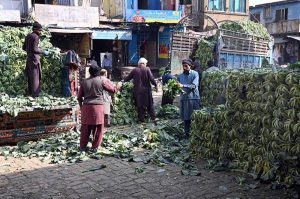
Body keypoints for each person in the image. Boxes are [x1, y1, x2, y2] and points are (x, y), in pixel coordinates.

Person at [77, 65, 120, 152]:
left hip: (86, 107)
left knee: (85, 128)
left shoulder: (84, 82)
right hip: (98, 107)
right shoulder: (102, 80)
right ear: (98, 72)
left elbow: (79, 97)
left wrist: (82, 107)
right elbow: (113, 90)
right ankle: (94, 147)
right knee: (98, 128)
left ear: (90, 72)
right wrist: (118, 85)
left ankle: (83, 147)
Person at [124, 57, 158, 124]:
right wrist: (155, 85)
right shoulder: (147, 69)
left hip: (138, 91)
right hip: (146, 91)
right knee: (150, 104)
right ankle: (153, 118)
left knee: (140, 106)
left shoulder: (134, 70)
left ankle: (142, 120)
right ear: (144, 63)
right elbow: (151, 78)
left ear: (139, 64)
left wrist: (123, 81)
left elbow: (127, 78)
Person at [23, 22, 48, 97]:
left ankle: (30, 93)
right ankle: (35, 95)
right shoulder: (36, 37)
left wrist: (29, 51)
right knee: (35, 77)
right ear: (35, 30)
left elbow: (23, 48)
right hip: (34, 59)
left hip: (29, 59)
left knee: (30, 76)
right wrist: (42, 51)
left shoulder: (28, 36)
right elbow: (35, 49)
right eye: (40, 30)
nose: (40, 32)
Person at [177, 59, 200, 137]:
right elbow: (178, 87)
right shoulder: (180, 76)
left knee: (194, 117)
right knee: (185, 117)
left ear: (190, 66)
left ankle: (195, 133)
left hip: (193, 98)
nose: (184, 67)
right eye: (183, 66)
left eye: (186, 66)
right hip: (184, 99)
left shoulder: (195, 74)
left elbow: (194, 86)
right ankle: (187, 133)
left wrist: (183, 86)